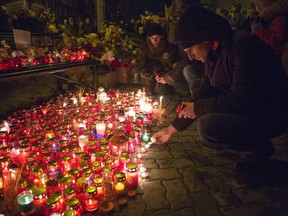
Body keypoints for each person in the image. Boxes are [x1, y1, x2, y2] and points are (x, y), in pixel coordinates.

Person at [152, 6, 288, 174]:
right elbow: (206, 91)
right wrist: (171, 129)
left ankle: (259, 148)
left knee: (209, 127)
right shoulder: (214, 54)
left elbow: (242, 100)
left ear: (205, 38)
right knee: (197, 91)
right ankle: (255, 142)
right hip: (251, 108)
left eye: (191, 50)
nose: (190, 57)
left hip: (273, 113)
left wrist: (199, 108)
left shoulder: (243, 46)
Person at [134, 23, 189, 95]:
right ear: (149, 38)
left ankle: (169, 88)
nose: (155, 40)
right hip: (151, 74)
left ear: (161, 36)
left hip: (165, 73)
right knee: (149, 92)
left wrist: (167, 75)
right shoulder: (144, 48)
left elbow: (177, 61)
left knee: (161, 91)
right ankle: (151, 86)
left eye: (157, 37)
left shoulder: (169, 46)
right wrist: (145, 73)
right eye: (152, 38)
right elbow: (139, 65)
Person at [250, 0, 288, 73]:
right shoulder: (268, 18)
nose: (256, 7)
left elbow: (273, 42)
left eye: (256, 4)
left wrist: (256, 28)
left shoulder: (279, 18)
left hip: (278, 66)